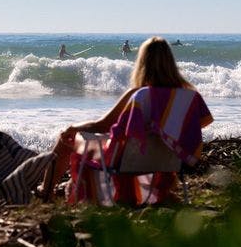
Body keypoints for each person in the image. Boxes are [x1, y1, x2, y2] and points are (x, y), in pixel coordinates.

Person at [42, 36, 212, 204]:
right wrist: (161, 131)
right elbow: (199, 124)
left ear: (142, 62)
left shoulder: (140, 94)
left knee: (66, 138)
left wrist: (72, 127)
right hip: (167, 161)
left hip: (124, 159)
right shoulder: (190, 97)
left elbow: (101, 125)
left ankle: (46, 192)